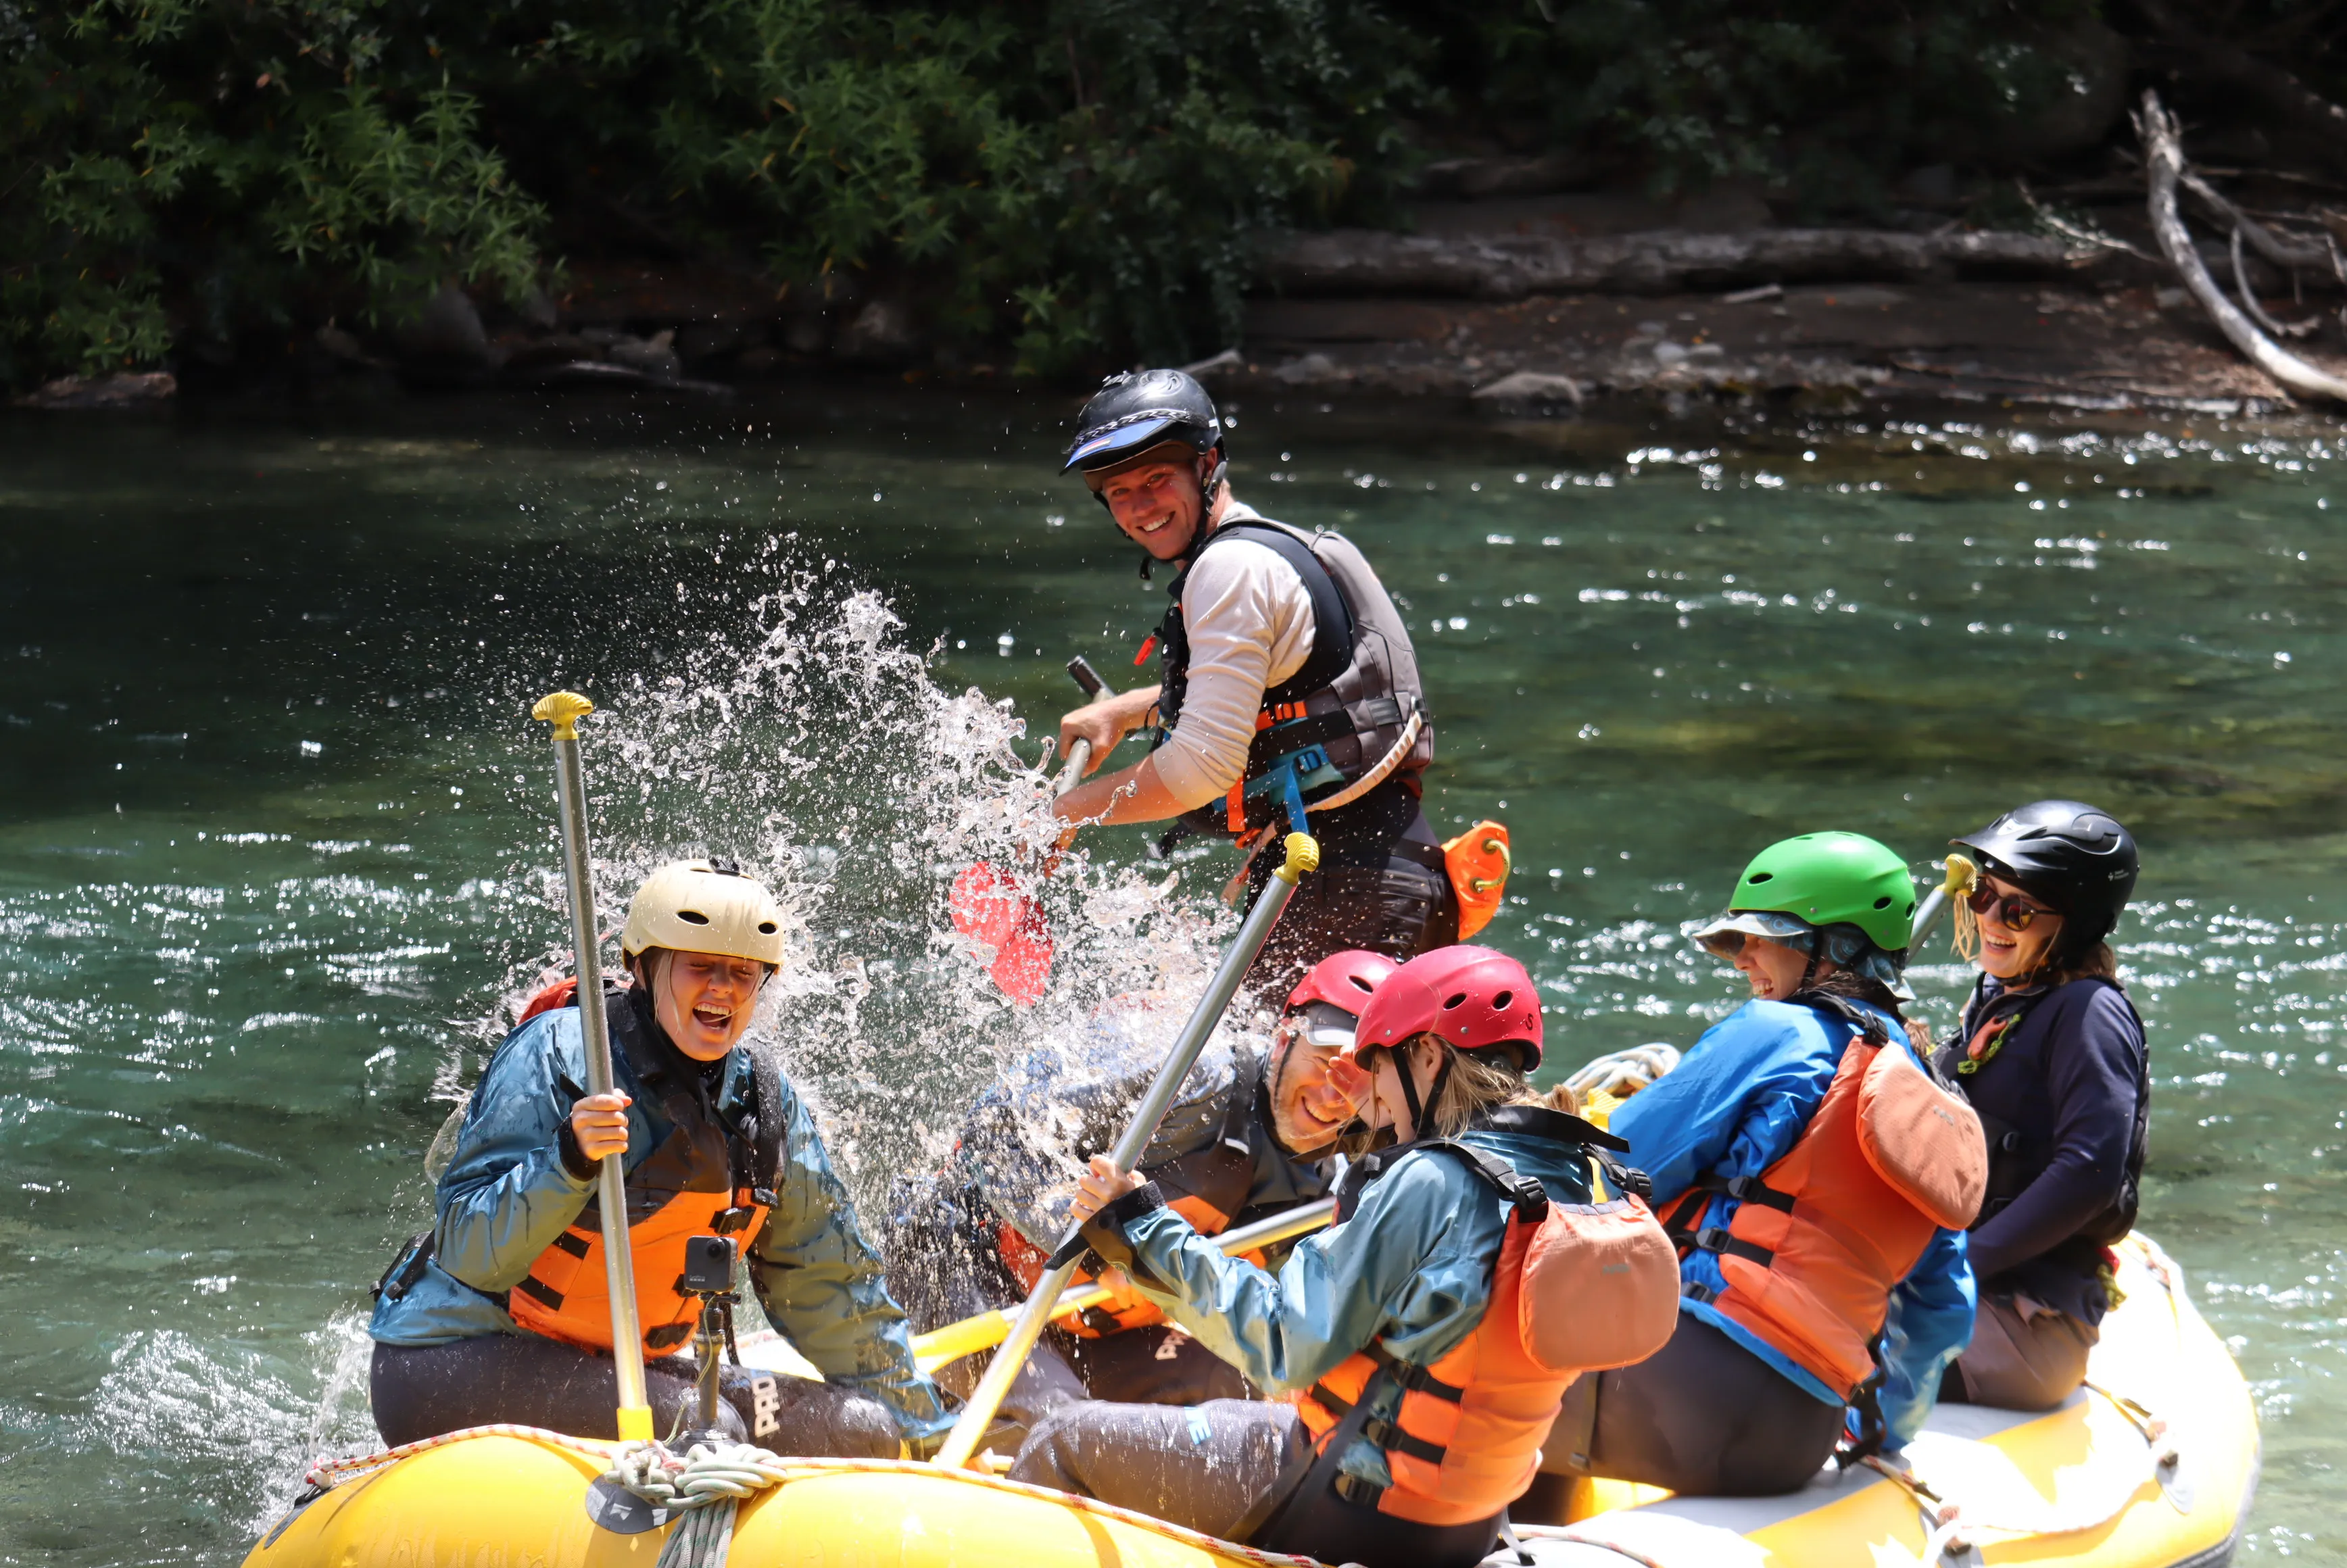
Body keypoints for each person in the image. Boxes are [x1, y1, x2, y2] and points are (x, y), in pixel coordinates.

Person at [1009, 946, 1676, 1568]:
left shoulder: (1431, 1181)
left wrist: (1143, 1226)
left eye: (1378, 1065)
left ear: (1426, 1058)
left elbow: (1283, 1344)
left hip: (1348, 1501)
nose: (1371, 1094)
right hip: (1469, 1516)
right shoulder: (1574, 1173)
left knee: (1061, 1437)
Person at [367, 860, 951, 1456]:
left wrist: (929, 1434)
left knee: (862, 1429)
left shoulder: (764, 1110)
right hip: (454, 1361)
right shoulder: (563, 1056)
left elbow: (834, 1291)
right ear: (643, 968)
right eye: (700, 967)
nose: (721, 988)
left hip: (609, 1366)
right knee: (709, 1431)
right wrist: (568, 1161)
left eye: (742, 973)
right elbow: (469, 1249)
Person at [1526, 832, 1983, 1509]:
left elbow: (1618, 1166)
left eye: (1762, 937)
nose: (1741, 958)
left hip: (1683, 1403)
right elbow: (1943, 1311)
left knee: (1495, 1340)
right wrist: (1878, 1432)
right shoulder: (1928, 1099)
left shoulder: (1773, 1030)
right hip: (1799, 1438)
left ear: (1832, 947)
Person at [884, 950, 1397, 1452]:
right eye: (1327, 1063)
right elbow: (993, 1131)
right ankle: (927, 1421)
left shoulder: (1324, 1185)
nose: (1336, 1097)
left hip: (1083, 1330)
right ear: (1285, 1037)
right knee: (1066, 1429)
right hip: (960, 1260)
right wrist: (1095, 1251)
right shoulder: (1195, 1075)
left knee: (1242, 1392)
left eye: (1360, 1081)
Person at [1049, 368, 1454, 992]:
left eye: (1157, 479)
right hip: (1381, 877)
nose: (1141, 507)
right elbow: (1275, 694)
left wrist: (1063, 814)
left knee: (1286, 1092)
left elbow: (1199, 772)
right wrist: (1128, 711)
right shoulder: (1273, 548)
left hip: (1342, 889)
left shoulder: (1229, 571)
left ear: (1207, 464)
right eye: (1119, 491)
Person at [1933, 801, 2147, 1411]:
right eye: (1982, 895)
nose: (1991, 919)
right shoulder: (2002, 998)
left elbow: (2089, 1173)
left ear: (2076, 923)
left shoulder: (2089, 1014)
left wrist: (1953, 1268)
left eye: (2018, 908)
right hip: (1974, 1299)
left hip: (2023, 1323)